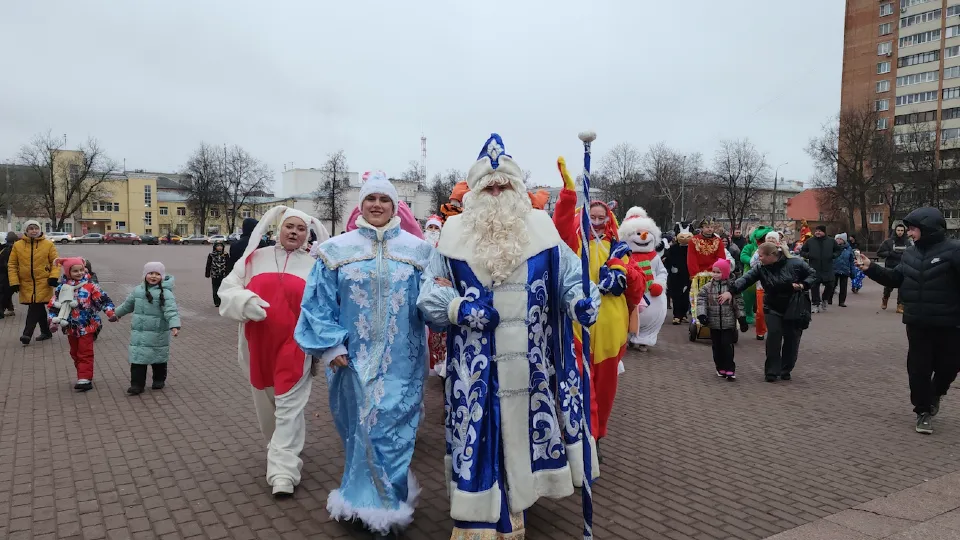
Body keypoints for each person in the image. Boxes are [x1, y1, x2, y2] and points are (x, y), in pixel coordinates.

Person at [417, 134, 600, 539]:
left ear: (518, 190)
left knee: (520, 440)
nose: (497, 193)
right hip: (474, 369)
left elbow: (572, 279)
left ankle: (513, 515)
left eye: (504, 186)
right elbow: (431, 291)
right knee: (478, 441)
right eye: (489, 187)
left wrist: (581, 303)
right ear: (476, 192)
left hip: (530, 366)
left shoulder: (542, 230)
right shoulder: (452, 234)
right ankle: (477, 522)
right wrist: (458, 308)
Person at [295, 173, 431, 537]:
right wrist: (331, 346)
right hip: (350, 362)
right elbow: (317, 304)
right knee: (361, 431)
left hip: (405, 361)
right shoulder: (336, 250)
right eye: (370, 199)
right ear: (361, 204)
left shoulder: (419, 252)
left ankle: (388, 503)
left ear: (395, 206)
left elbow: (431, 303)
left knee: (394, 431)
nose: (376, 206)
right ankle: (364, 498)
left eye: (384, 200)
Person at [219, 206, 329, 497]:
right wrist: (243, 302)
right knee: (268, 405)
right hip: (257, 345)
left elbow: (326, 306)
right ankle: (280, 447)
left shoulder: (315, 266)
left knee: (289, 406)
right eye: (289, 226)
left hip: (296, 346)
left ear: (308, 234)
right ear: (279, 229)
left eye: (301, 228)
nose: (294, 232)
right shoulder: (255, 259)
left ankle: (283, 472)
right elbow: (227, 289)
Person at [552, 159, 643, 449]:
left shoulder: (620, 249)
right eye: (592, 215)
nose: (598, 220)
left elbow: (637, 290)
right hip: (579, 327)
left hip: (611, 330)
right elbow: (561, 227)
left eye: (602, 215)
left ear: (610, 218)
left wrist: (623, 271)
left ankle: (597, 436)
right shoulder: (574, 245)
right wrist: (568, 194)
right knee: (578, 386)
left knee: (604, 390)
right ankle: (580, 439)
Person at [856, 207, 960, 435]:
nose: (910, 233)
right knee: (918, 370)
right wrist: (871, 269)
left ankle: (936, 393)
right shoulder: (910, 254)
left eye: (913, 229)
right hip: (917, 323)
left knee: (949, 368)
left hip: (950, 324)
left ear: (928, 228)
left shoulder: (955, 251)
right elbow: (896, 278)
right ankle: (923, 411)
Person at [721, 242, 817, 382]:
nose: (759, 258)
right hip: (772, 306)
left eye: (761, 256)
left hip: (794, 306)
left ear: (772, 255)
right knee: (773, 337)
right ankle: (772, 371)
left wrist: (803, 285)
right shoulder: (761, 268)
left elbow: (813, 275)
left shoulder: (796, 263)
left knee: (792, 339)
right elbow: (745, 279)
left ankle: (786, 369)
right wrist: (730, 291)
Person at [46, 257, 115, 391]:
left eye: (81, 270)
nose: (79, 273)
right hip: (70, 327)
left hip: (87, 325)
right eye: (75, 271)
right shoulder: (62, 288)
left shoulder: (90, 286)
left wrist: (110, 313)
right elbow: (54, 305)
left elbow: (104, 300)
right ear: (67, 272)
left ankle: (84, 379)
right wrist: (52, 320)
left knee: (85, 352)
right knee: (74, 353)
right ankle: (83, 373)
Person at [113, 262, 181, 395]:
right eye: (151, 273)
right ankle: (137, 385)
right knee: (138, 359)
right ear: (145, 275)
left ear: (162, 276)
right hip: (139, 333)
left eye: (157, 274)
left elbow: (171, 311)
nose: (153, 276)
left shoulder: (166, 293)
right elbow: (127, 305)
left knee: (159, 357)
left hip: (158, 332)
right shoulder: (138, 290)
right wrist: (115, 314)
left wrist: (174, 325)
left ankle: (159, 380)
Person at [619, 206, 668, 352]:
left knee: (653, 315)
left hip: (651, 292)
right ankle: (625, 337)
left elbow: (662, 272)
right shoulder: (623, 255)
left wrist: (659, 284)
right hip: (632, 292)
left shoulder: (654, 257)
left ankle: (644, 340)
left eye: (647, 233)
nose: (643, 237)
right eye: (638, 233)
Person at [8, 220, 60, 344]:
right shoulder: (18, 245)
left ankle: (27, 334)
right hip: (26, 282)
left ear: (40, 229)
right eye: (30, 228)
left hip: (44, 281)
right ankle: (46, 332)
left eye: (36, 228)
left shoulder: (48, 245)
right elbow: (12, 264)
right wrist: (14, 281)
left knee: (35, 306)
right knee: (38, 306)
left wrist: (53, 277)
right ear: (26, 230)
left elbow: (56, 262)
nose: (34, 231)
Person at [696, 258, 748, 380]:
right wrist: (702, 314)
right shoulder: (707, 288)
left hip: (728, 323)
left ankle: (730, 368)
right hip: (713, 323)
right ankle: (720, 367)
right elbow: (701, 301)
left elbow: (738, 303)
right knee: (717, 346)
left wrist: (741, 318)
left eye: (718, 272)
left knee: (727, 346)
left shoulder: (732, 288)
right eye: (714, 271)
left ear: (725, 273)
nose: (715, 274)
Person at [423, 215, 447, 377]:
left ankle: (441, 365)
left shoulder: (445, 246)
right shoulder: (421, 246)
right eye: (430, 227)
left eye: (436, 228)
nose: (432, 231)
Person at [749, 231, 782, 341]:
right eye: (769, 238)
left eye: (774, 238)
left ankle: (774, 331)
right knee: (761, 311)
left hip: (777, 287)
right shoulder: (760, 250)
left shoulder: (781, 251)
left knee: (776, 311)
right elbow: (752, 264)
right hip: (762, 287)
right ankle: (760, 331)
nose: (771, 240)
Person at [799, 225, 841, 312]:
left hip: (827, 267)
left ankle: (825, 299)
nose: (818, 232)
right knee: (814, 287)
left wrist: (833, 256)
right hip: (814, 267)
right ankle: (815, 304)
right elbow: (802, 251)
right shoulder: (810, 241)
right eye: (816, 231)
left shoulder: (831, 241)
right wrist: (808, 255)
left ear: (824, 232)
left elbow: (838, 250)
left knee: (830, 285)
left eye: (820, 231)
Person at [740, 226, 774, 325]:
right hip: (750, 274)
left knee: (763, 298)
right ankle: (748, 313)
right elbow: (743, 256)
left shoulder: (770, 248)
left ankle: (763, 316)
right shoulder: (749, 247)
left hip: (765, 277)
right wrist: (751, 261)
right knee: (748, 297)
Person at [876, 223, 912, 312]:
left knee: (902, 287)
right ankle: (885, 299)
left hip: (903, 267)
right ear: (895, 231)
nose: (900, 232)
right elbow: (879, 253)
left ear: (904, 232)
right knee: (888, 286)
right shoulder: (888, 242)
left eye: (902, 231)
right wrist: (889, 253)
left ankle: (900, 306)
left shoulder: (907, 242)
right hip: (890, 267)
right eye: (898, 230)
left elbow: (912, 253)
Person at [666, 222, 693, 324]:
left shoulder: (692, 248)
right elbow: (668, 258)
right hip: (676, 276)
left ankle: (684, 314)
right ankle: (677, 315)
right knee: (676, 295)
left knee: (686, 295)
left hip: (688, 274)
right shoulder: (673, 248)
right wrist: (671, 267)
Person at [830, 233, 856, 308]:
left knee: (843, 287)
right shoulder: (832, 247)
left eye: (840, 239)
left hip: (845, 270)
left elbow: (851, 261)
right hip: (834, 269)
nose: (838, 240)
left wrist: (852, 272)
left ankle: (841, 301)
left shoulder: (848, 248)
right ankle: (829, 299)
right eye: (837, 239)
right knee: (832, 285)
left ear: (844, 240)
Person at [204, 241, 230, 308]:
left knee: (223, 288)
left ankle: (223, 301)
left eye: (221, 246)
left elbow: (228, 265)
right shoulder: (211, 255)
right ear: (215, 247)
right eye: (218, 246)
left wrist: (228, 273)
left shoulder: (225, 254)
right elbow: (208, 264)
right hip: (214, 274)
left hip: (223, 274)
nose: (219, 247)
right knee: (215, 288)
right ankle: (217, 302)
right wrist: (207, 273)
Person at [0, 232, 17, 317]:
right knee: (6, 292)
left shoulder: (7, 249)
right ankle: (9, 309)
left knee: (4, 292)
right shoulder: (7, 249)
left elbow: (7, 263)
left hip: (6, 275)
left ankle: (4, 310)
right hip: (6, 274)